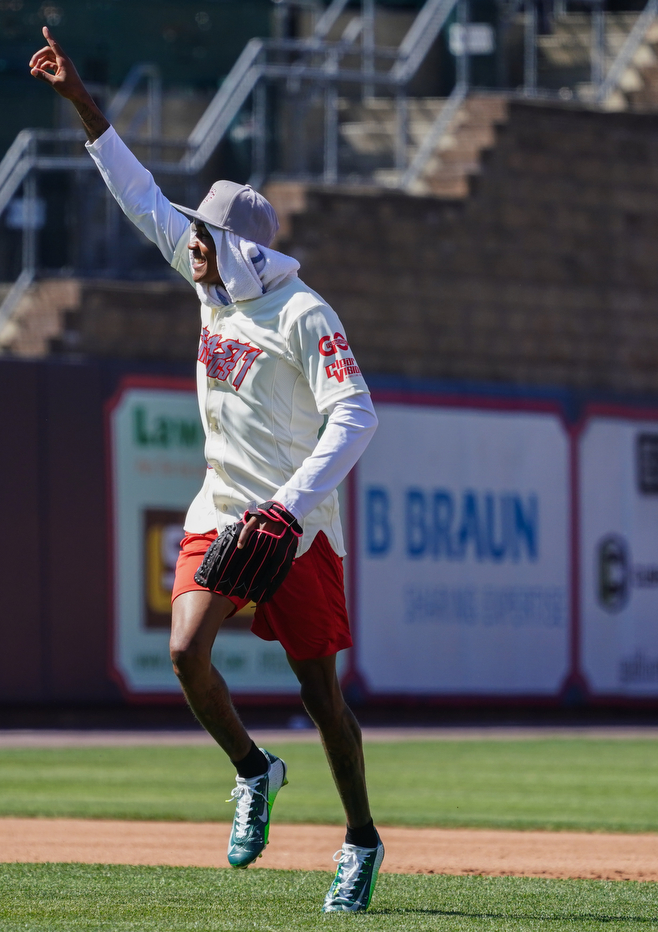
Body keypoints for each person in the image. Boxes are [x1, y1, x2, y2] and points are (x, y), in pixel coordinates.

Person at [30, 27, 385, 914]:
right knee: (186, 652)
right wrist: (81, 100)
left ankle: (361, 839)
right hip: (221, 511)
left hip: (296, 530)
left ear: (244, 249)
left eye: (205, 235)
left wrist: (295, 508)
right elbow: (138, 193)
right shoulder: (210, 285)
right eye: (193, 233)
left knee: (322, 699)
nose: (190, 242)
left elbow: (358, 414)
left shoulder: (304, 312)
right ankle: (254, 771)